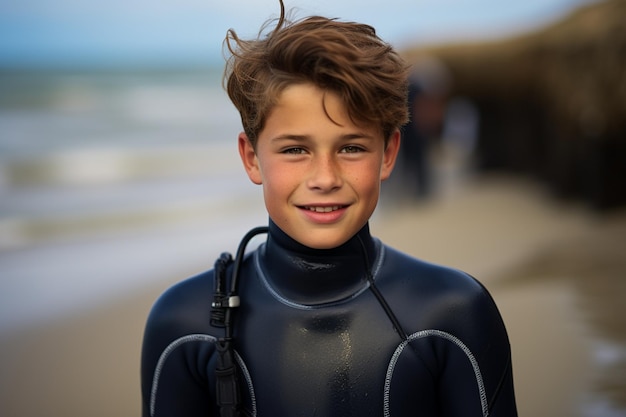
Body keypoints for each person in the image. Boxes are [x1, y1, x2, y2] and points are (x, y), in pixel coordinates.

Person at [140, 1, 518, 416]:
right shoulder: (183, 324)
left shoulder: (453, 313)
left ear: (389, 153)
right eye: (295, 149)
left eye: (352, 147)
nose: (325, 177)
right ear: (251, 158)